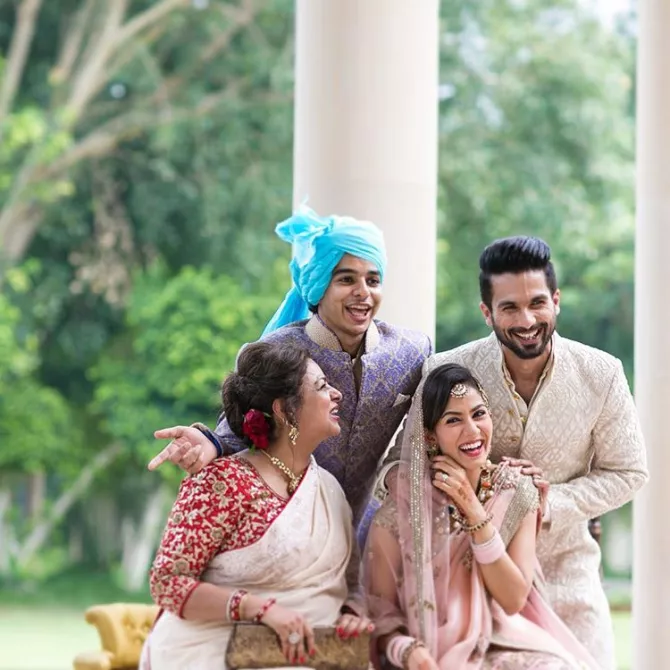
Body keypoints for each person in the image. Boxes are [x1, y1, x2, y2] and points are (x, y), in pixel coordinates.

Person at [400, 236, 647, 668]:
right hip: (473, 585)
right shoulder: (446, 369)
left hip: (568, 575)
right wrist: (475, 492)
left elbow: (628, 472)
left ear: (556, 301)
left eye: (537, 303)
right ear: (487, 312)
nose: (527, 319)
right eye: (510, 308)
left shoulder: (602, 373)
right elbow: (403, 464)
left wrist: (545, 501)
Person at [147, 206, 432, 531]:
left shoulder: (413, 350)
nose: (363, 292)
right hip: (287, 530)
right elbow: (241, 428)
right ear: (319, 284)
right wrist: (210, 443)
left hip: (370, 533)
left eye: (373, 280)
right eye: (347, 279)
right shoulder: (274, 350)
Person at [141, 341, 372, 670]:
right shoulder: (221, 482)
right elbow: (168, 583)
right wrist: (258, 609)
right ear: (284, 410)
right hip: (207, 654)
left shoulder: (329, 490)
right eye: (322, 386)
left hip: (308, 655)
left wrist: (352, 613)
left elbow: (348, 586)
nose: (337, 394)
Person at [366, 363, 599, 670]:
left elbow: (514, 598)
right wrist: (408, 652)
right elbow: (380, 613)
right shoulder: (400, 512)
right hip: (432, 650)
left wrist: (473, 509)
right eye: (453, 420)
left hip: (509, 641)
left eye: (479, 414)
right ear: (430, 436)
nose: (473, 431)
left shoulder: (515, 490)